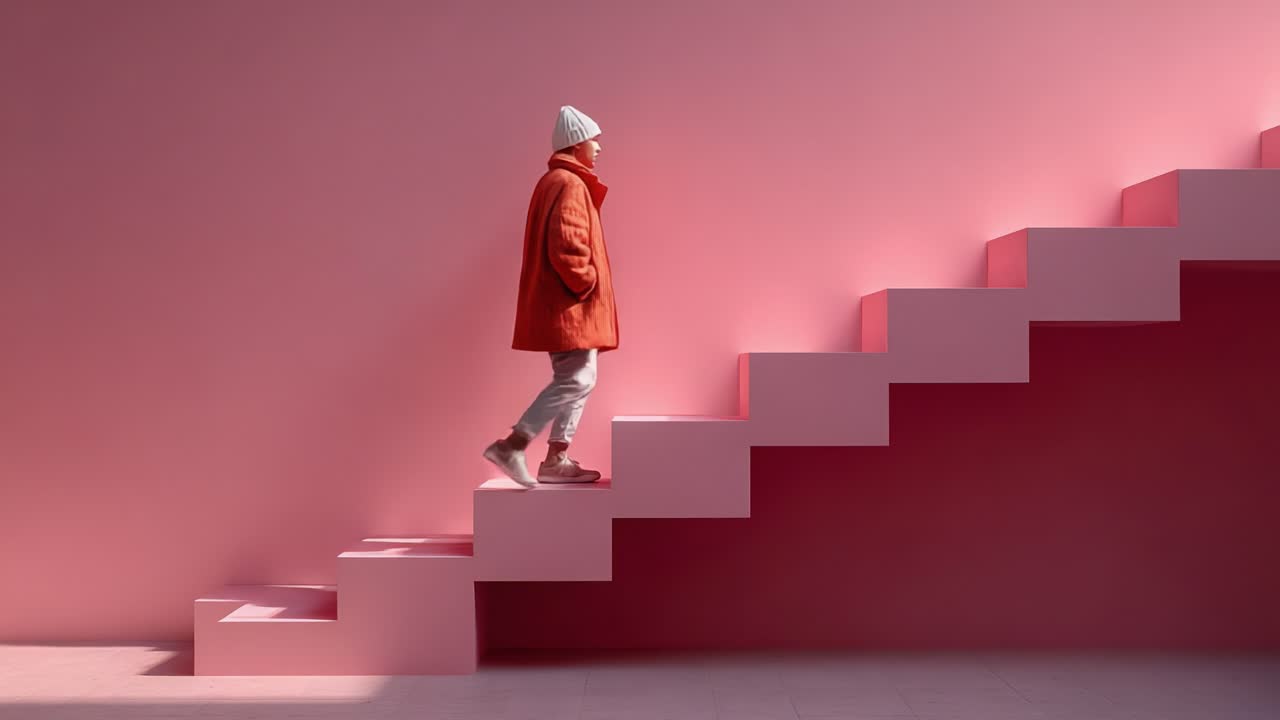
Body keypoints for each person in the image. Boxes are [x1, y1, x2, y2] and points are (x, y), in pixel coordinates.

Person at [483, 105, 618, 488]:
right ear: (577, 144)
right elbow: (568, 242)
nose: (598, 148)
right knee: (576, 378)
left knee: (580, 376)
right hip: (569, 305)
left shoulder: (557, 181)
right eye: (594, 140)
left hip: (563, 304)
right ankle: (515, 444)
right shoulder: (570, 183)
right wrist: (586, 282)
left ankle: (556, 456)